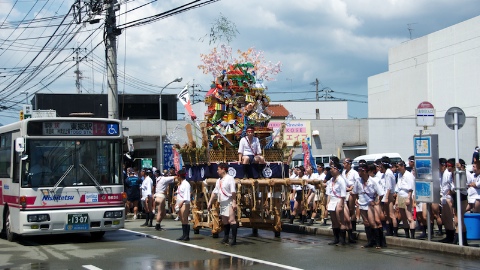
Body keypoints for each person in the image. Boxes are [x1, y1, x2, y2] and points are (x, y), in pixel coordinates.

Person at [207, 163, 238, 246]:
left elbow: (233, 191)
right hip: (222, 201)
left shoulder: (230, 178)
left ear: (223, 169)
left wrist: (234, 202)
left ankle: (234, 239)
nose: (217, 171)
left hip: (229, 200)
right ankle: (226, 237)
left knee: (231, 220)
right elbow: (215, 192)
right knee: (225, 221)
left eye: (218, 169)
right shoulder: (219, 180)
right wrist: (210, 202)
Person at [327, 161, 347, 246]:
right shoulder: (331, 180)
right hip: (332, 201)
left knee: (340, 221)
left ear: (337, 169)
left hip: (339, 200)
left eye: (332, 169)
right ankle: (336, 239)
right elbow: (329, 193)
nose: (330, 171)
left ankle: (342, 240)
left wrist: (341, 204)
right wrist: (327, 203)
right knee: (334, 221)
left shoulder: (341, 180)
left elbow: (343, 194)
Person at [395, 160, 416, 239]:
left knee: (409, 217)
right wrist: (397, 200)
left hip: (407, 195)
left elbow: (411, 188)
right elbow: (398, 188)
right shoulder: (400, 175)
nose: (397, 168)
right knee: (403, 217)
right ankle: (407, 234)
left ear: (403, 166)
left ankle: (412, 235)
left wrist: (408, 198)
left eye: (398, 167)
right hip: (400, 195)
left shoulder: (409, 175)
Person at [175, 169, 191, 241]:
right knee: (182, 218)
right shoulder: (180, 184)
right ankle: (184, 234)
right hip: (180, 202)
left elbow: (186, 195)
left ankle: (186, 235)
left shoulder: (186, 184)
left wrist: (181, 202)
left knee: (185, 219)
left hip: (184, 203)